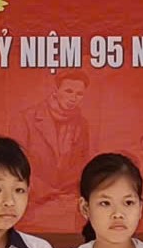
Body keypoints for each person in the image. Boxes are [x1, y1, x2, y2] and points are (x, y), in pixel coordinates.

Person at [22, 70, 92, 206]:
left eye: (79, 94)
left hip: (67, 199)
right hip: (32, 199)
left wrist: (71, 194)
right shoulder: (25, 119)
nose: (73, 98)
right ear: (56, 90)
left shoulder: (82, 124)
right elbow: (17, 166)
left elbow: (82, 165)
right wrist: (48, 193)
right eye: (68, 91)